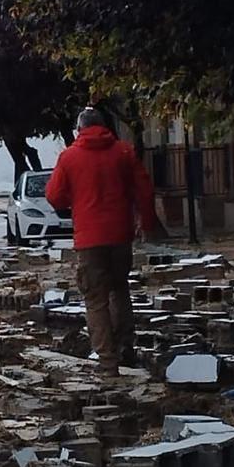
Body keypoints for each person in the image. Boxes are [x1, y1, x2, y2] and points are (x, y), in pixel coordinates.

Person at [46, 108, 158, 375]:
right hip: (121, 235)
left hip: (89, 239)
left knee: (95, 299)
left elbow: (54, 195)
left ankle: (108, 363)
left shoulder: (69, 157)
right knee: (119, 289)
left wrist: (75, 200)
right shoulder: (124, 152)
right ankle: (125, 348)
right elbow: (144, 189)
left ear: (79, 129)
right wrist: (147, 222)